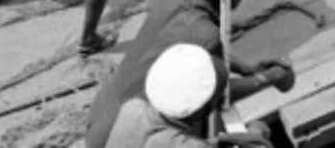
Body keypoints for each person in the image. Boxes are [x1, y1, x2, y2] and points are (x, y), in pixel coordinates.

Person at [86, 0, 296, 148]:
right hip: (121, 134)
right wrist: (265, 79)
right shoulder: (206, 35)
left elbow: (199, 51)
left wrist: (246, 68)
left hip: (107, 117)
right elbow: (208, 95)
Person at [105, 43, 274, 147]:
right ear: (201, 111)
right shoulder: (173, 143)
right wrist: (256, 132)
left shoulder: (134, 107)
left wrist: (226, 140)